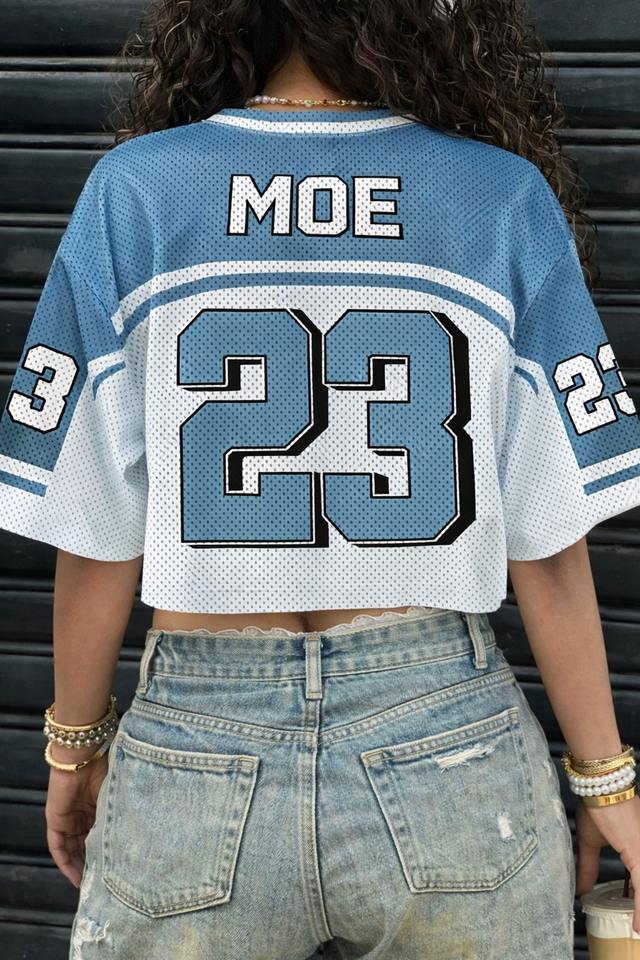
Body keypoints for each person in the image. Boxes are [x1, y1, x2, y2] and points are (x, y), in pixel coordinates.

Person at [1, 1, 640, 957]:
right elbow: (548, 545)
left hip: (198, 739)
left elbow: (94, 533)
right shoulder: (500, 194)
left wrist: (75, 745)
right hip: (447, 741)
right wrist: (606, 781)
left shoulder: (135, 191)